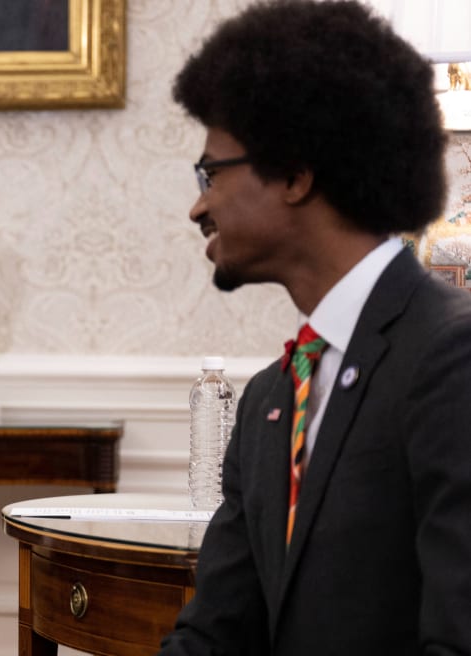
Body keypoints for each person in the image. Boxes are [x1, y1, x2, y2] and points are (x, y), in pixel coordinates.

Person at [160, 2, 471, 654]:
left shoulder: (452, 358)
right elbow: (216, 633)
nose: (198, 204)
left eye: (211, 172)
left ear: (297, 175)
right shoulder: (271, 399)